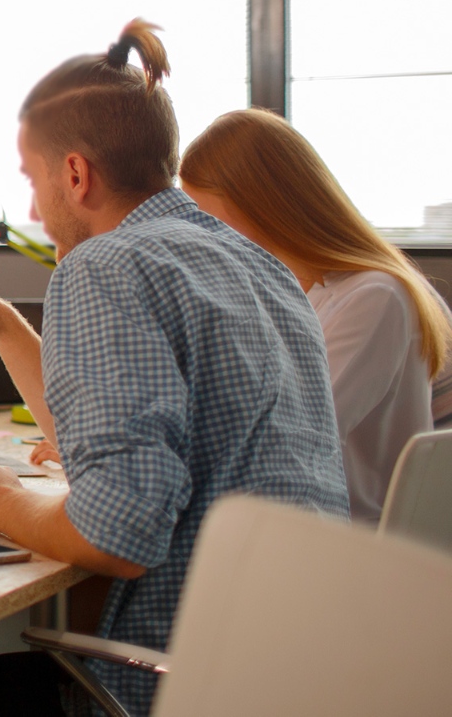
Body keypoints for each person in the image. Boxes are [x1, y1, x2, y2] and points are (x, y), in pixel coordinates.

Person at [0, 21, 347, 717]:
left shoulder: (104, 267)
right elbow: (112, 437)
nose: (36, 210)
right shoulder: (257, 265)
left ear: (75, 173)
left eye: (32, 180)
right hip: (286, 671)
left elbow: (119, 532)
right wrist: (4, 325)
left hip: (172, 681)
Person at [179, 108, 450, 521]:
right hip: (303, 531)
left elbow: (290, 441)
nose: (201, 235)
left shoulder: (376, 298)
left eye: (207, 216)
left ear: (264, 205)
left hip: (346, 550)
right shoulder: (296, 291)